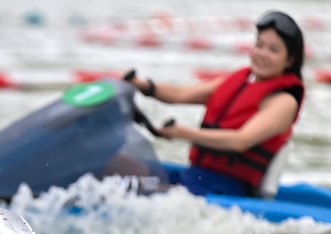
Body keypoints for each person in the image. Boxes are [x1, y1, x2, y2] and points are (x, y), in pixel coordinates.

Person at [126, 11, 305, 197]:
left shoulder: (284, 101)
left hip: (228, 189)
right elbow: (179, 94)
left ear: (290, 60)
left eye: (273, 50)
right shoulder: (238, 82)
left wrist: (183, 133)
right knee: (120, 168)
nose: (262, 54)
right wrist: (142, 85)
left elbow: (241, 141)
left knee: (139, 189)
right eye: (259, 45)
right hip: (196, 176)